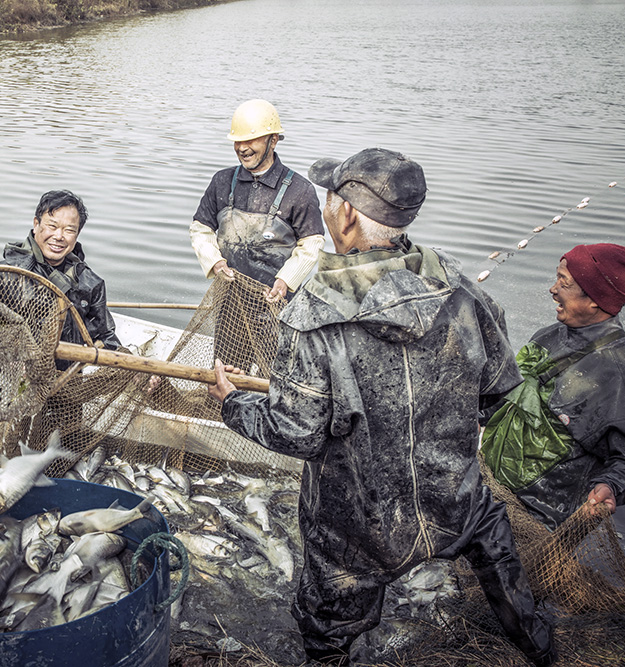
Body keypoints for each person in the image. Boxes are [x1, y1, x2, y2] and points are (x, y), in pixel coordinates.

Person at [207, 148, 556, 666]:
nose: (326, 208)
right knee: (499, 561)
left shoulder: (314, 313)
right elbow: (498, 388)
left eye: (330, 199)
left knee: (327, 631)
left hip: (356, 525)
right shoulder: (461, 290)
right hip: (455, 499)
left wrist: (234, 402)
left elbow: (296, 432)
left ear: (346, 214)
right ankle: (541, 649)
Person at [482, 243, 625, 530]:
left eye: (563, 282)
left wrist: (610, 485)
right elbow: (509, 392)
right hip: (492, 484)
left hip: (538, 513)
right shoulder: (551, 335)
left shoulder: (624, 371)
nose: (553, 289)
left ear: (595, 299)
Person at [190, 99, 325, 302]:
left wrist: (286, 281)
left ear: (273, 140)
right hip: (229, 299)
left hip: (277, 302)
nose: (242, 148)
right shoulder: (222, 181)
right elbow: (201, 228)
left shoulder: (300, 190)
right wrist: (214, 262)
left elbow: (312, 243)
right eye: (238, 141)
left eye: (251, 140)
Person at [0, 189, 121, 354]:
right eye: (52, 226)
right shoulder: (4, 275)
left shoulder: (90, 283)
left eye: (69, 230)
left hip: (70, 368)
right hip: (11, 366)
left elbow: (105, 336)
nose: (59, 236)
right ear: (36, 224)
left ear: (77, 234)